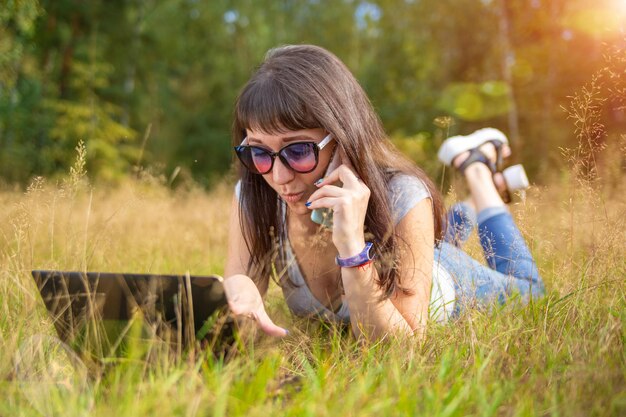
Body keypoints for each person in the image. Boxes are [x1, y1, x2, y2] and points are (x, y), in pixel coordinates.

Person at [223, 44, 545, 341]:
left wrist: (352, 248)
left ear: (341, 140)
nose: (278, 176)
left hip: (446, 276)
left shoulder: (403, 194)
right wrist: (241, 289)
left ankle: (478, 169)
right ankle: (481, 194)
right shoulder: (255, 193)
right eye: (259, 152)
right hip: (409, 244)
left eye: (298, 151)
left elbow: (399, 349)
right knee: (431, 238)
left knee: (532, 292)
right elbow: (242, 277)